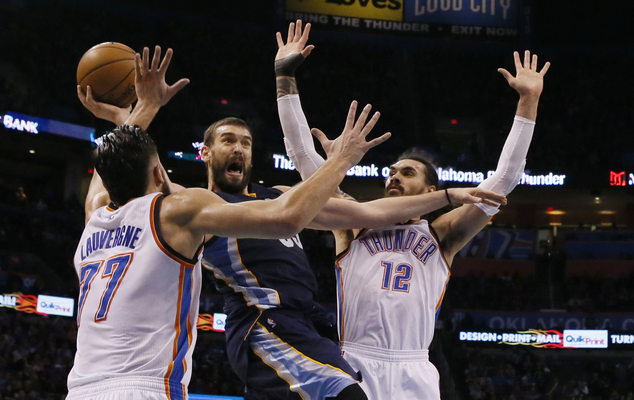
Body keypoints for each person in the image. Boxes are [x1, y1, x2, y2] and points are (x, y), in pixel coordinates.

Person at [82, 42, 505, 400]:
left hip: (306, 321)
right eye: (228, 141)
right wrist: (337, 159)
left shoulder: (278, 195)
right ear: (205, 154)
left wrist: (448, 196)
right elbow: (139, 179)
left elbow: (369, 212)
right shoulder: (191, 207)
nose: (240, 149)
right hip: (263, 323)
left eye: (246, 142)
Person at [69, 46, 389, 400]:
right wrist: (343, 159)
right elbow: (287, 217)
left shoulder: (94, 221)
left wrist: (141, 112)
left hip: (81, 387)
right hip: (146, 387)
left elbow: (111, 171)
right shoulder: (176, 211)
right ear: (160, 174)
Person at [276, 21, 550, 400]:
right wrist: (284, 77)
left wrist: (528, 101)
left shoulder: (442, 233)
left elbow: (505, 179)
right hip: (354, 362)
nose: (394, 178)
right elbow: (303, 157)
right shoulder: (353, 223)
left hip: (414, 369)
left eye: (407, 173)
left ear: (432, 191)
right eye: (390, 173)